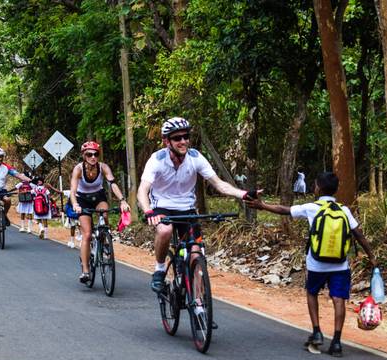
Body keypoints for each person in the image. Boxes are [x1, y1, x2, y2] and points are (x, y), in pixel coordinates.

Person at [245, 172, 379, 357]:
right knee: (338, 299)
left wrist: (262, 205)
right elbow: (360, 235)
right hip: (340, 264)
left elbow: (284, 210)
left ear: (318, 188)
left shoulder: (311, 207)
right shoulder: (344, 210)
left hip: (316, 263)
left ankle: (317, 332)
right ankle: (337, 342)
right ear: (336, 189)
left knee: (312, 293)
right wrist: (372, 257)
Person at [137, 117, 253, 293]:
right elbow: (142, 190)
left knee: (196, 255)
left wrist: (243, 194)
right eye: (177, 138)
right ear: (166, 141)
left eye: (186, 136)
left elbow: (219, 184)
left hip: (187, 209)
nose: (183, 141)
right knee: (165, 230)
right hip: (162, 206)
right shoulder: (157, 159)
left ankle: (199, 306)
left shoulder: (195, 157)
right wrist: (148, 211)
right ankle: (160, 269)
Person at [70, 141, 130, 283]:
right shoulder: (78, 169)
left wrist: (122, 200)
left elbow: (112, 183)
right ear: (84, 156)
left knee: (104, 214)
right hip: (82, 199)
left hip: (98, 196)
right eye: (89, 154)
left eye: (96, 154)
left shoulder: (103, 167)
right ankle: (85, 270)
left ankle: (104, 240)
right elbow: (73, 190)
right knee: (87, 233)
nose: (93, 157)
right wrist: (75, 204)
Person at [0, 147, 31, 243]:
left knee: (7, 200)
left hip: (1, 190)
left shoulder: (6, 167)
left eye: (1, 157)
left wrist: (30, 180)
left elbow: (18, 175)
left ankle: (4, 214)